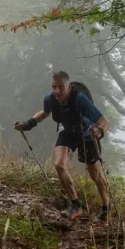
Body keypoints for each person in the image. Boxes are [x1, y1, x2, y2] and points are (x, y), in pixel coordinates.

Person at [15, 70, 111, 221]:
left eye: (61, 87)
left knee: (95, 173)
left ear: (69, 87)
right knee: (59, 164)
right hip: (67, 131)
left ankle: (106, 207)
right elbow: (45, 112)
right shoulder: (50, 98)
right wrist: (27, 124)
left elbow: (104, 122)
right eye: (54, 87)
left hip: (87, 132)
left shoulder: (80, 99)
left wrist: (99, 131)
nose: (57, 91)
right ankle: (76, 204)